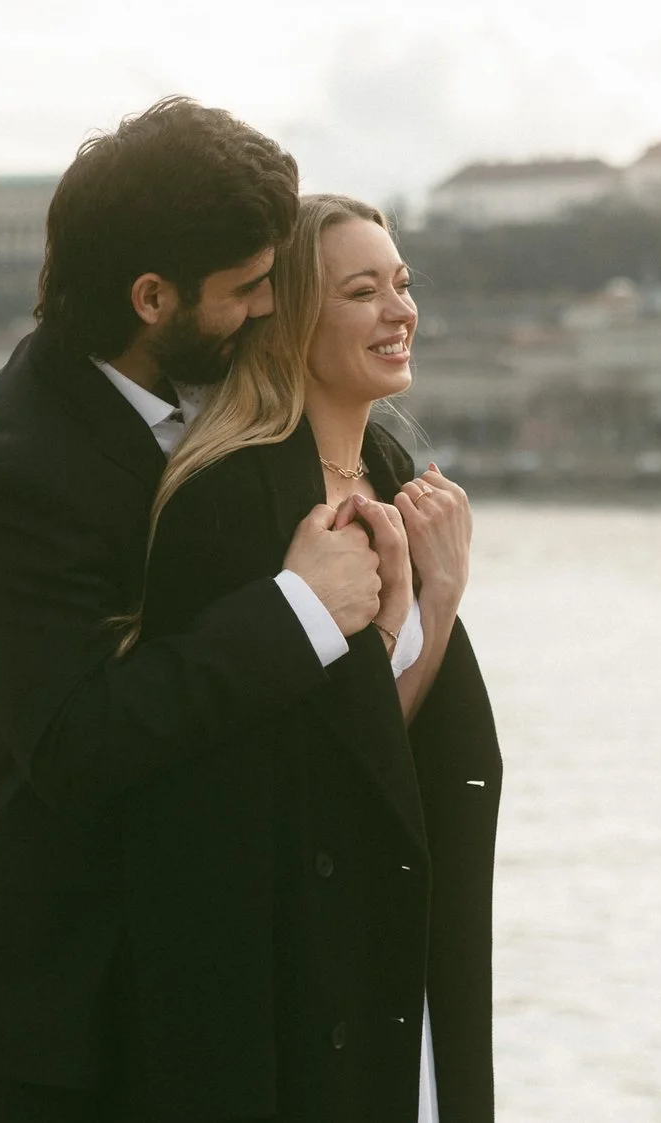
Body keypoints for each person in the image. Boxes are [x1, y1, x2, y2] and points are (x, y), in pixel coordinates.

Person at [0, 99, 399, 1122]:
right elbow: (76, 736)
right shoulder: (15, 469)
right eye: (249, 289)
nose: (269, 310)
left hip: (185, 971)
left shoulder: (219, 399)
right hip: (42, 989)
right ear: (153, 295)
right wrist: (298, 608)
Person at [121, 194, 500, 1123]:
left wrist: (436, 597)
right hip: (297, 987)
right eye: (362, 290)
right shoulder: (226, 498)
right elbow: (293, 782)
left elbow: (392, 763)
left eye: (403, 284)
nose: (399, 310)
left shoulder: (403, 483)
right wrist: (434, 604)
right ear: (287, 317)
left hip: (402, 950)